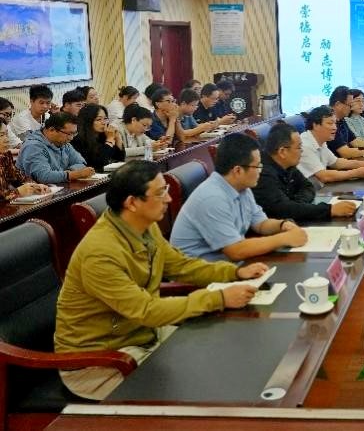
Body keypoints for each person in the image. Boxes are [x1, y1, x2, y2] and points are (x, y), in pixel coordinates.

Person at [55, 160, 265, 400]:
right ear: (132, 203)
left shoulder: (144, 226)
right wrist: (218, 298)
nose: (168, 198)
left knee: (222, 352)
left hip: (141, 335)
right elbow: (146, 311)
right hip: (98, 361)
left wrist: (234, 273)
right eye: (160, 193)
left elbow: (180, 265)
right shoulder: (99, 253)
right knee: (197, 387)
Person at [171, 133, 308, 261]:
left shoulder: (242, 187)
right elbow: (235, 250)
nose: (260, 171)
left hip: (228, 265)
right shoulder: (212, 198)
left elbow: (260, 224)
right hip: (201, 274)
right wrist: (284, 238)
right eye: (257, 166)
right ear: (238, 170)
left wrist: (283, 225)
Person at [253, 123, 358, 222]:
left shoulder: (288, 165)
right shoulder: (261, 173)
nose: (302, 151)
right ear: (282, 152)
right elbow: (282, 210)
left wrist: (296, 205)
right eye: (299, 147)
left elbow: (308, 187)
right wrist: (329, 210)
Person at [298, 105, 364, 186]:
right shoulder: (304, 145)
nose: (335, 128)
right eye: (330, 123)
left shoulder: (321, 140)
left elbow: (336, 162)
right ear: (315, 125)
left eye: (335, 123)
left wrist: (361, 164)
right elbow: (324, 176)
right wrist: (356, 173)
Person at [15, 112, 95, 183]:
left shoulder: (64, 144)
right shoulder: (33, 146)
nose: (71, 138)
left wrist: (68, 172)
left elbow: (81, 163)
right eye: (69, 134)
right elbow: (43, 177)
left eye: (74, 133)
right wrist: (73, 174)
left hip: (60, 188)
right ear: (52, 130)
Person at [71, 104, 126, 172]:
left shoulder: (104, 136)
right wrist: (109, 140)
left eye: (105, 118)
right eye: (98, 119)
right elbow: (99, 163)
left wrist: (118, 138)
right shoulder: (78, 141)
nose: (103, 123)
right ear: (88, 121)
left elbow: (120, 159)